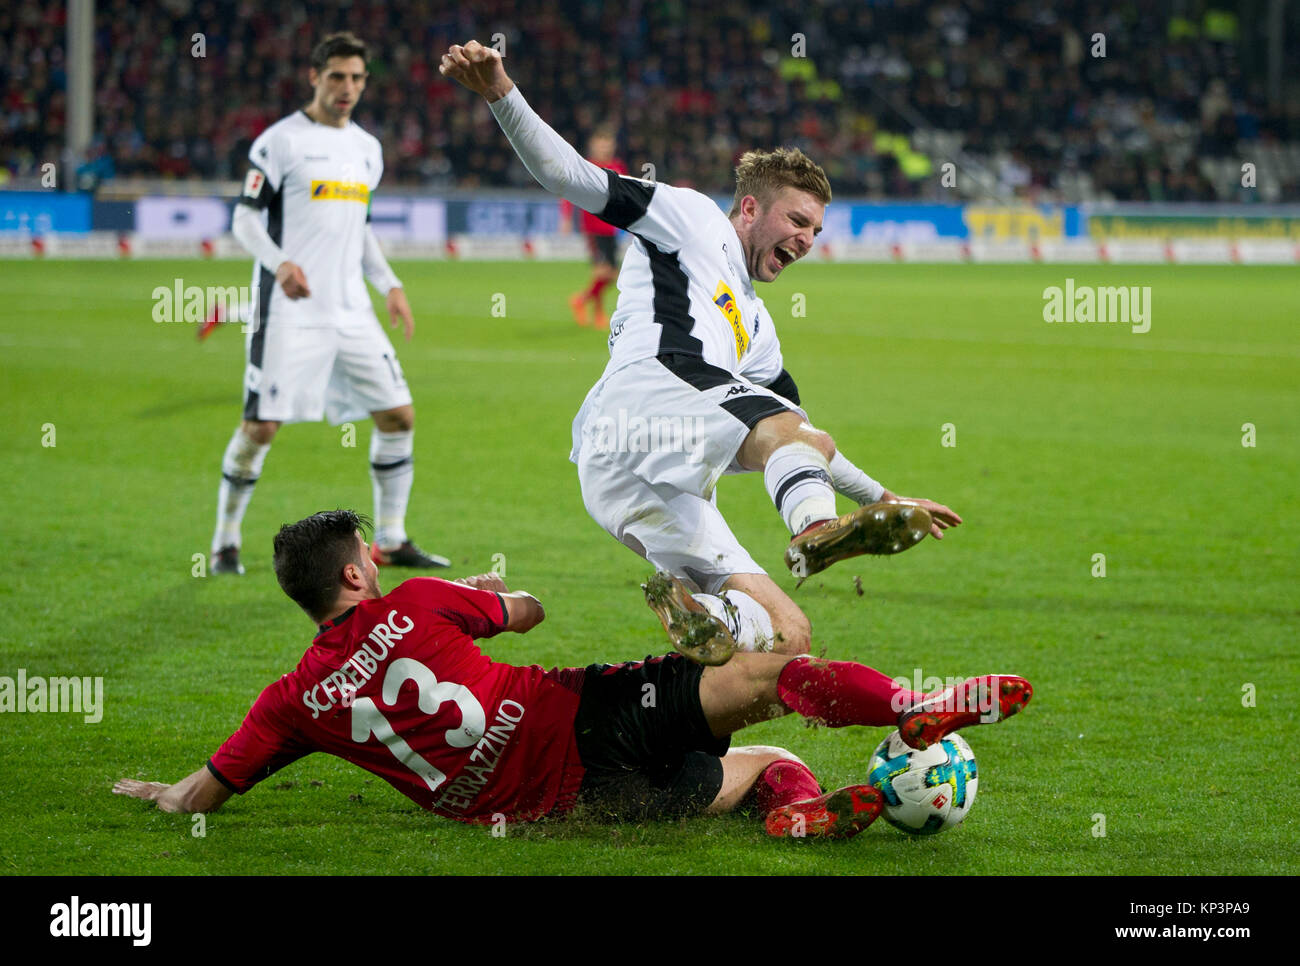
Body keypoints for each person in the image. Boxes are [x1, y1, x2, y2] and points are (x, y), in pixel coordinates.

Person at [439, 41, 962, 666]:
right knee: (792, 435)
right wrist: (502, 95)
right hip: (644, 394)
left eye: (817, 230)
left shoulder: (758, 327)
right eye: (797, 220)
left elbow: (806, 440)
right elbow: (572, 176)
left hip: (629, 470)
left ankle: (702, 617)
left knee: (787, 635)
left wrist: (879, 498)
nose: (807, 239)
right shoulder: (690, 216)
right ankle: (812, 532)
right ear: (748, 208)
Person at [113, 510, 1032, 839]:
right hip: (582, 720)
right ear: (355, 574)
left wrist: (165, 794)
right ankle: (915, 706)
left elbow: (206, 791)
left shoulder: (290, 705)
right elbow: (531, 612)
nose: (379, 563)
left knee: (747, 766)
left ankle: (796, 809)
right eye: (370, 555)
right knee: (770, 671)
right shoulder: (422, 601)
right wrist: (483, 593)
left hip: (569, 809)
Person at [209, 32, 447, 576]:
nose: (347, 88)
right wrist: (280, 264)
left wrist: (389, 284)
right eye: (337, 76)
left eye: (357, 78)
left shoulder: (367, 149)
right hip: (289, 310)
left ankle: (391, 537)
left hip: (350, 310)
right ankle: (224, 542)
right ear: (315, 77)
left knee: (397, 415)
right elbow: (244, 218)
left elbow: (358, 228)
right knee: (261, 427)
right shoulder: (280, 142)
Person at [558, 129, 626, 330]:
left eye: (608, 142)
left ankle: (583, 301)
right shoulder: (585, 165)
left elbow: (625, 194)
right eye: (601, 142)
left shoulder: (617, 166)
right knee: (602, 271)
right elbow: (568, 190)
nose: (605, 146)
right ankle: (590, 308)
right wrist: (567, 218)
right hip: (593, 227)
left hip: (611, 227)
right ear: (593, 144)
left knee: (611, 274)